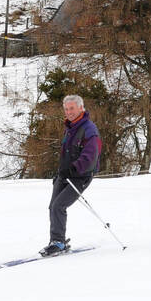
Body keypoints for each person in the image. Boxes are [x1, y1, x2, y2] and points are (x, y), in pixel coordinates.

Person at [42, 94, 101, 256]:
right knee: (53, 206)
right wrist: (61, 171)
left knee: (59, 206)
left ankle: (59, 243)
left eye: (72, 108)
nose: (68, 112)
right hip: (63, 175)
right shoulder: (70, 128)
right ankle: (56, 240)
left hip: (80, 176)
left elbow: (91, 155)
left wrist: (74, 169)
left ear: (81, 108)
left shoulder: (89, 129)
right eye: (66, 109)